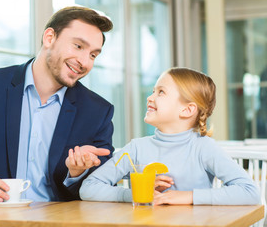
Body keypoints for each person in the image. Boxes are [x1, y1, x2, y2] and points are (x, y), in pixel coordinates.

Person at [0, 6, 115, 207]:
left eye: (93, 55)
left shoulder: (98, 111)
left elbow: (100, 184)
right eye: (78, 46)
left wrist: (76, 173)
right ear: (49, 37)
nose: (85, 62)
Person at [80, 67, 260, 205]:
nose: (150, 98)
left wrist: (188, 197)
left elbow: (250, 192)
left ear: (187, 109)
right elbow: (89, 188)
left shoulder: (203, 147)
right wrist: (134, 194)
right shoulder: (136, 148)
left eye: (161, 92)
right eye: (153, 91)